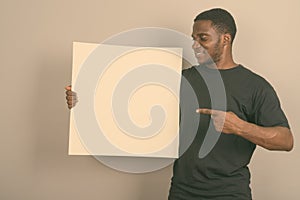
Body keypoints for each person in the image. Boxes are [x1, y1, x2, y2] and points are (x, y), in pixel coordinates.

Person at [65, 8, 293, 200]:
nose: (194, 44)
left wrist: (239, 126)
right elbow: (129, 102)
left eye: (203, 38)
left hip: (230, 193)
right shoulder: (183, 78)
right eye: (193, 38)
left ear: (226, 39)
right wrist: (81, 100)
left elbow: (285, 140)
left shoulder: (255, 86)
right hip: (182, 192)